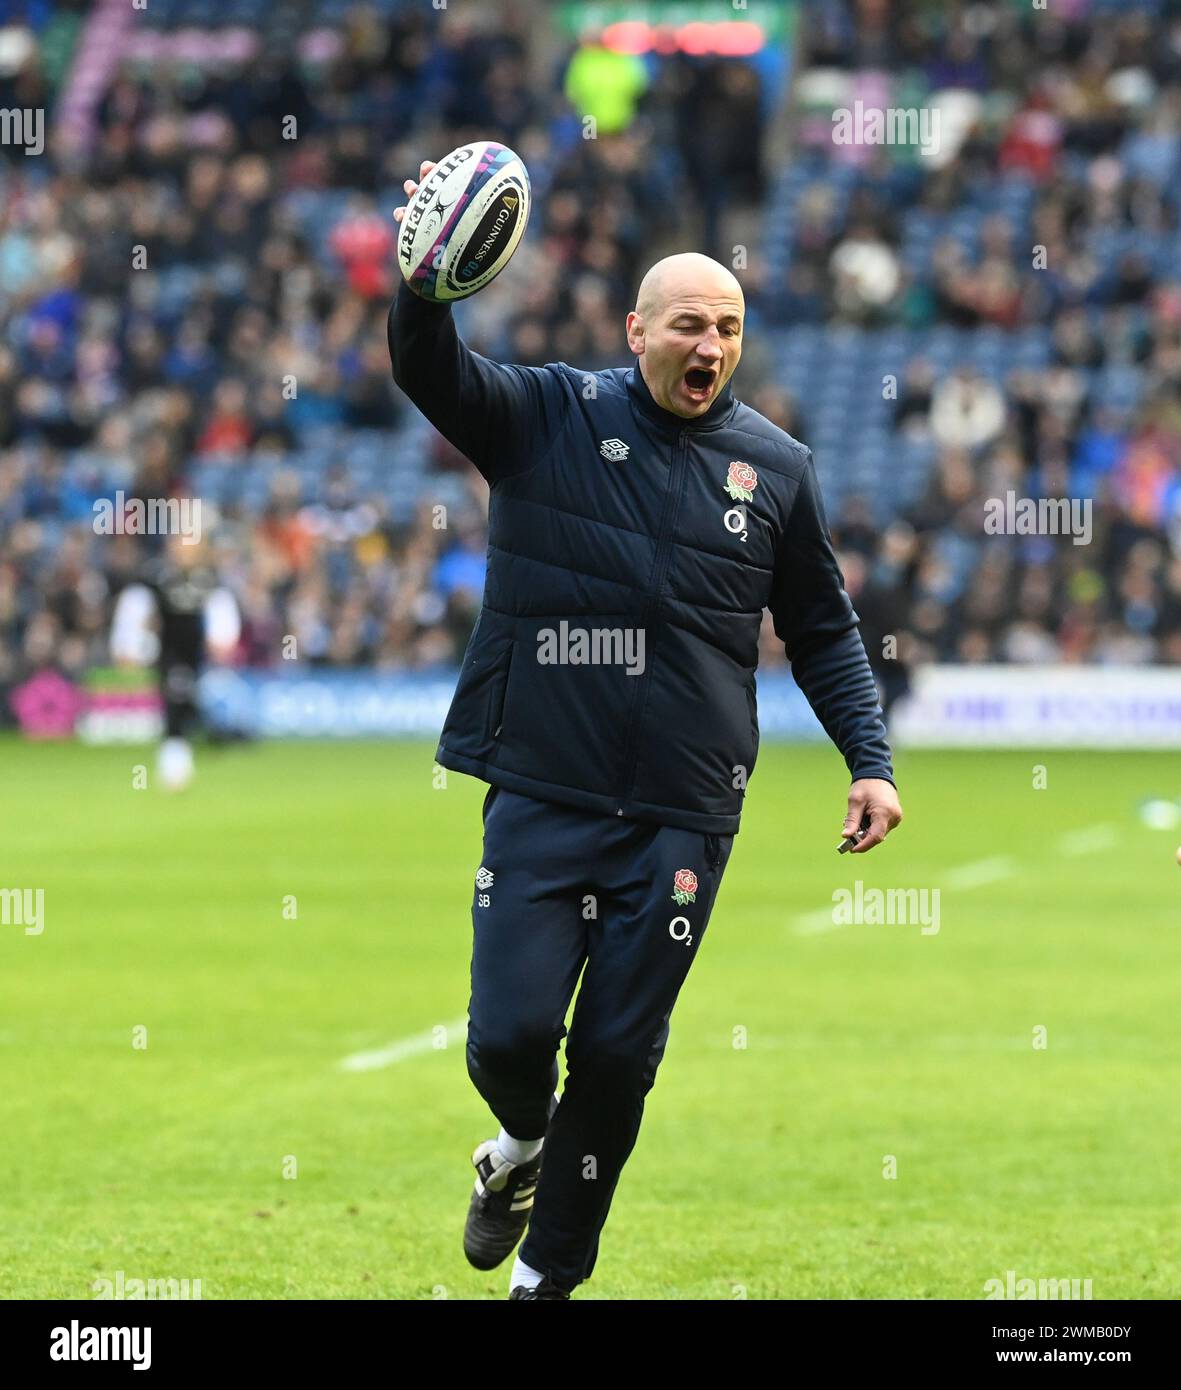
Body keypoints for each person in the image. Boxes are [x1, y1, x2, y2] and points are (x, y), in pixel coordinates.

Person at [390, 161, 903, 1300]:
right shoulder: (546, 416)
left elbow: (821, 629)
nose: (708, 343)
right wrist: (423, 287)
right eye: (686, 323)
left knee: (616, 1059)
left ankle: (545, 1278)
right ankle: (518, 1145)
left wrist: (868, 760)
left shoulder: (776, 469)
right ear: (637, 330)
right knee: (508, 1039)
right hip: (543, 785)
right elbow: (429, 369)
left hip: (680, 811)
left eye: (726, 326)